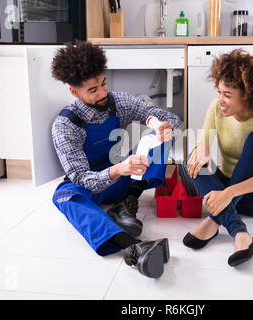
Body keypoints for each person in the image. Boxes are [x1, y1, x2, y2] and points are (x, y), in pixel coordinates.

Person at [50, 41, 182, 278]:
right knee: (63, 196)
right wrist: (119, 169)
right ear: (74, 91)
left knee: (159, 136)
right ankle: (133, 247)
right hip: (99, 182)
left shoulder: (119, 102)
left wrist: (165, 126)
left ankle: (128, 204)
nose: (102, 94)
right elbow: (82, 178)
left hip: (124, 180)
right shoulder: (65, 125)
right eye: (93, 90)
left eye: (103, 83)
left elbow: (169, 118)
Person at [184, 49, 253, 267]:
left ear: (249, 96)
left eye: (227, 95)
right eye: (219, 92)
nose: (220, 100)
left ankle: (213, 221)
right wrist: (203, 149)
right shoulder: (216, 108)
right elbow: (202, 140)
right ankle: (241, 234)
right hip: (226, 192)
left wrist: (228, 193)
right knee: (192, 158)